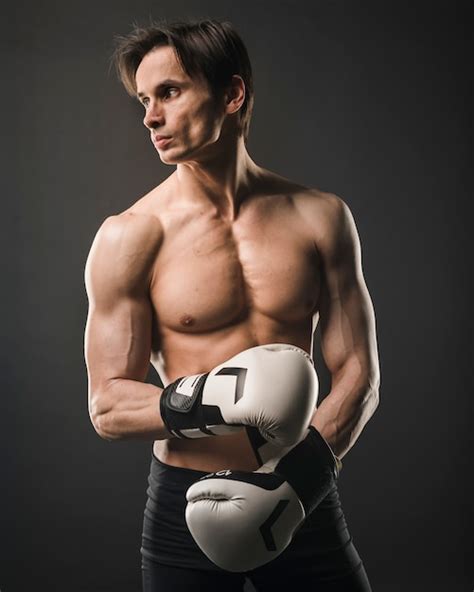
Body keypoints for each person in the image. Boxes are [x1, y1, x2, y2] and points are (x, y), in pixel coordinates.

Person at [84, 18, 380, 592]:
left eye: (168, 92)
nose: (150, 116)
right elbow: (108, 405)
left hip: (299, 491)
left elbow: (359, 373)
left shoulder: (320, 217)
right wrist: (211, 401)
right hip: (185, 505)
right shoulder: (130, 236)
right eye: (145, 100)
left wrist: (297, 483)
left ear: (232, 93)